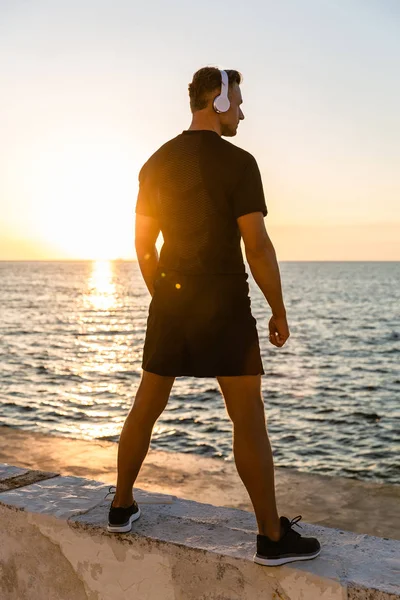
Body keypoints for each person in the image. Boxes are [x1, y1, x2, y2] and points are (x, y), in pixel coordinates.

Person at [106, 67, 321, 567]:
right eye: (238, 103)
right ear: (217, 101)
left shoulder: (155, 162)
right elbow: (258, 245)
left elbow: (143, 245)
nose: (242, 112)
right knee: (247, 418)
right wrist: (279, 308)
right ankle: (270, 536)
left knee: (147, 403)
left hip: (171, 302)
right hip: (225, 305)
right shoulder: (240, 163)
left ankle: (121, 505)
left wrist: (163, 295)